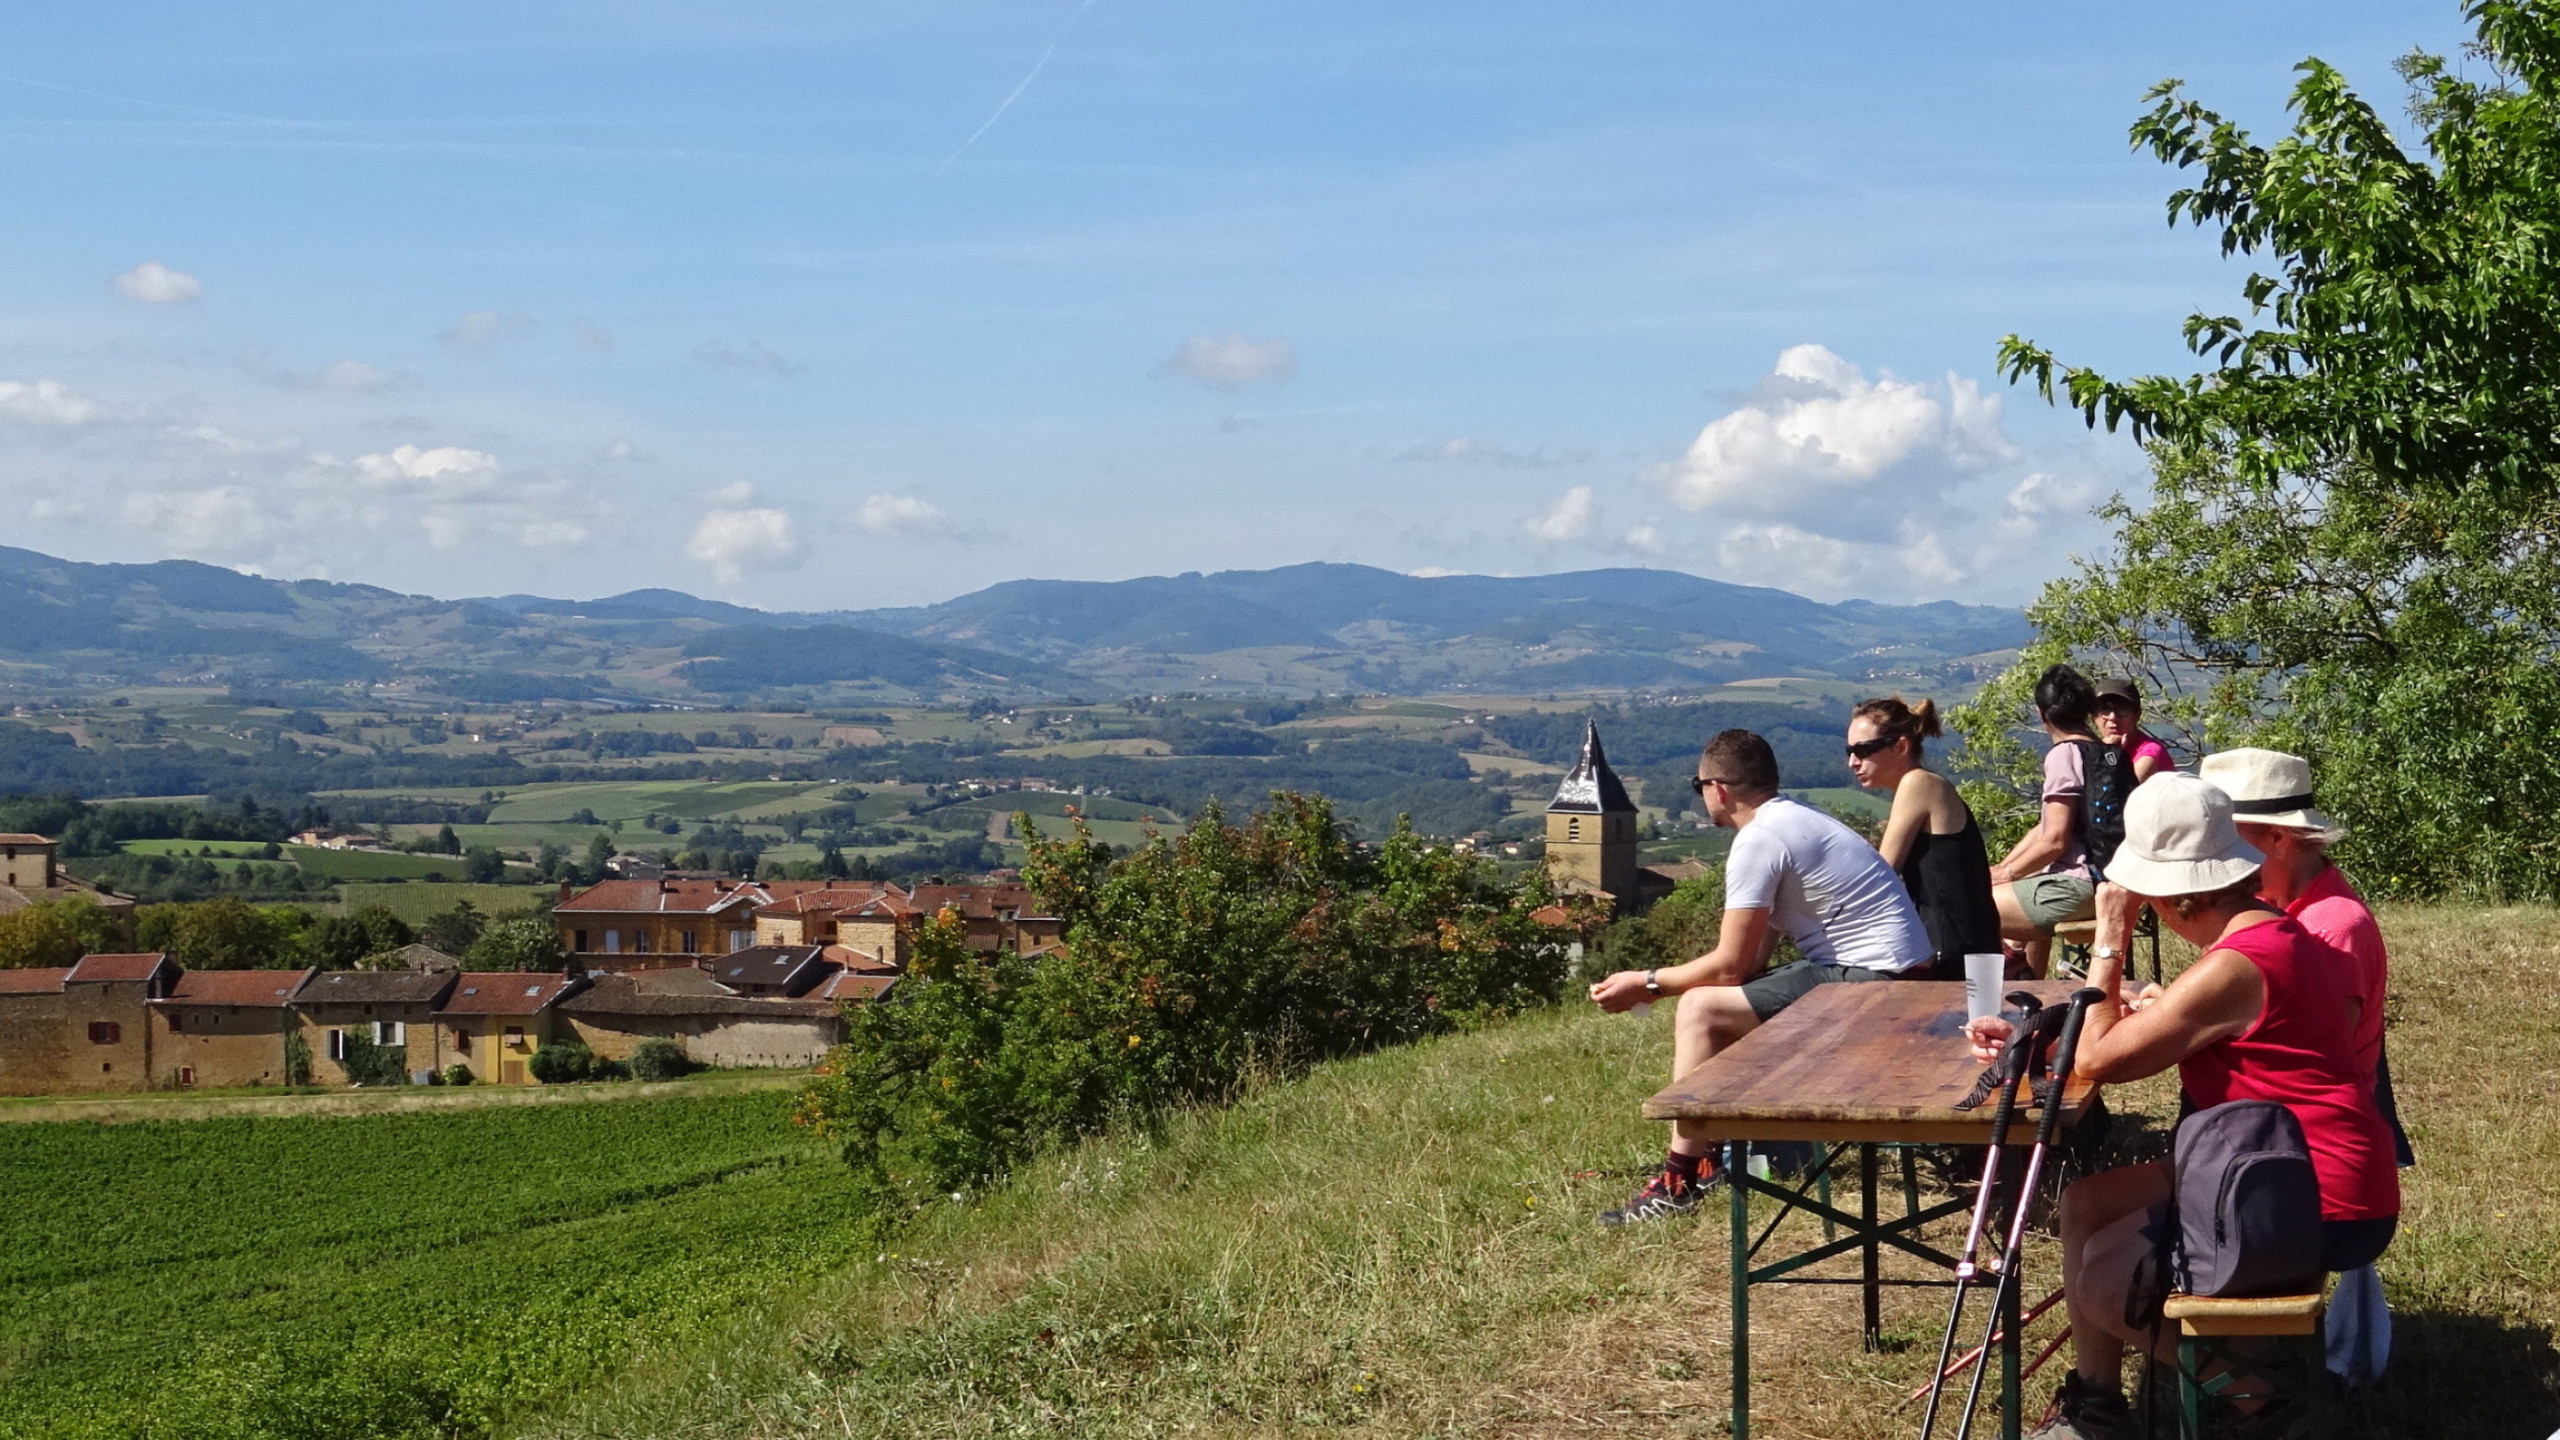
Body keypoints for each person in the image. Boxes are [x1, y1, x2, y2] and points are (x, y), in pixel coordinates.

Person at [1966, 775, 2399, 1440]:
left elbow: (2097, 1059)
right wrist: (2152, 1010)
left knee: (2106, 1284)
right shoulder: (2267, 937)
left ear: (2172, 896)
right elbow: (2202, 1020)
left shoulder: (2236, 965)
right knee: (2087, 1205)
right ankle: (2099, 1406)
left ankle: (2273, 1407)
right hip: (2273, 1162)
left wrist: (2109, 936)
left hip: (2313, 1192)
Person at [1588, 729, 1931, 1226]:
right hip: (1897, 977)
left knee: (1700, 1009)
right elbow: (1744, 969)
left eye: (1698, 786)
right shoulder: (1794, 820)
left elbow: (1727, 967)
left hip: (1876, 984)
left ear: (1719, 788)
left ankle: (1679, 1179)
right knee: (1725, 1001)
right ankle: (1725, 1155)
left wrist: (1649, 982)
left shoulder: (1759, 839)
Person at [2198, 746, 2410, 1387]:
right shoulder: (2289, 912)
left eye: (2224, 836)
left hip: (2301, 1157)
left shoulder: (2330, 925)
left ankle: (2245, 1386)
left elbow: (2319, 1060)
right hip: (2275, 1140)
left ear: (2278, 838)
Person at [1847, 695, 2000, 981]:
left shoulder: (1919, 782)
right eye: (1849, 751)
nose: (1853, 762)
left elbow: (1882, 873)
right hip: (1966, 952)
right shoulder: (1924, 784)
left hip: (1952, 958)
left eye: (1863, 750)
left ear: (1901, 746)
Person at [1990, 664, 2104, 974]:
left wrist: (2006, 874)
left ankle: (2011, 983)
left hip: (2078, 888)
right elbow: (2045, 831)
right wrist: (2006, 870)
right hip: (2107, 882)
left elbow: (2054, 840)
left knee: (1969, 907)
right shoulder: (2104, 754)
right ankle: (2031, 986)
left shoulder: (2064, 755)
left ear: (2042, 714)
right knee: (2028, 890)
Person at [2093, 678, 2174, 782]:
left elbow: (2122, 793)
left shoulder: (2150, 753)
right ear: (2094, 717)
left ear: (2137, 715)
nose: (2112, 717)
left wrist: (2111, 753)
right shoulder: (2092, 750)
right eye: (2105, 709)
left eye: (2121, 709)